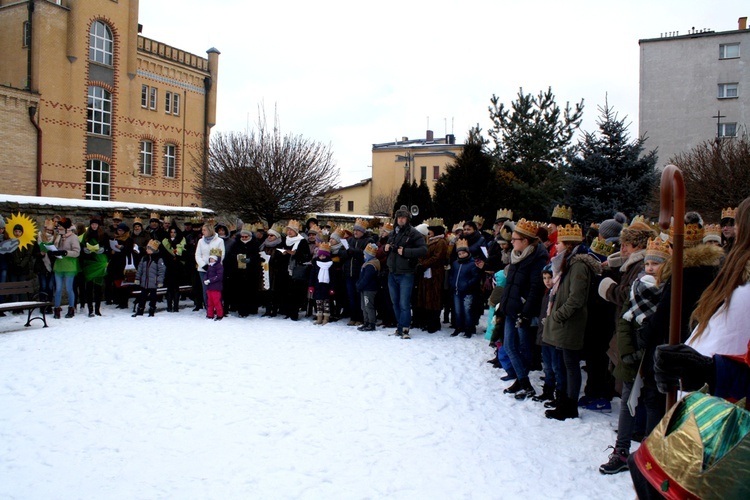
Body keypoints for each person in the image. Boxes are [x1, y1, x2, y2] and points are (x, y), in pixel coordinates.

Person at [599, 237, 670, 474]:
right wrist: (628, 351)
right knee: (628, 402)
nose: (650, 268)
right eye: (648, 263)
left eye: (656, 264)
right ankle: (621, 450)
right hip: (633, 355)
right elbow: (625, 320)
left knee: (652, 402)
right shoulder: (636, 286)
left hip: (655, 355)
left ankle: (648, 455)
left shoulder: (668, 291)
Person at [542, 224, 601, 415]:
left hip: (570, 322)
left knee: (570, 365)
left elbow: (576, 298)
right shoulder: (569, 263)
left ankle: (569, 405)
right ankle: (564, 402)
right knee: (566, 365)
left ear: (568, 246)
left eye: (558, 243)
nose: (555, 246)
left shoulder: (578, 266)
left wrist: (558, 315)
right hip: (566, 322)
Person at [500, 219, 548, 396]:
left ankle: (523, 381)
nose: (511, 242)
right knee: (509, 345)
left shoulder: (537, 258)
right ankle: (523, 381)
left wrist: (525, 312)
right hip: (510, 307)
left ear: (526, 241)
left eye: (515, 239)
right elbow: (511, 283)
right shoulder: (516, 254)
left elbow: (536, 289)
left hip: (522, 310)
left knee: (523, 347)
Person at [385, 207, 428, 339]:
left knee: (404, 303)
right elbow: (389, 247)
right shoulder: (393, 233)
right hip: (392, 272)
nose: (401, 220)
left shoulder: (413, 233)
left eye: (403, 217)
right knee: (395, 302)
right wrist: (386, 247)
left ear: (407, 219)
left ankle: (405, 328)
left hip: (406, 273)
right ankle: (399, 326)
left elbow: (423, 250)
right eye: (399, 217)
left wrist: (406, 252)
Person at [416, 222, 449, 333]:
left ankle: (434, 323)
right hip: (427, 273)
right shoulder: (429, 241)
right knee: (426, 297)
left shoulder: (441, 242)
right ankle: (427, 321)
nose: (428, 232)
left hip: (435, 274)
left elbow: (437, 257)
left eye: (430, 230)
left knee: (434, 298)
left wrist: (424, 264)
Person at [226, 223, 262, 317]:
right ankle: (241, 310)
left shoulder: (255, 244)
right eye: (243, 236)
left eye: (246, 237)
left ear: (249, 236)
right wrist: (236, 258)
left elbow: (258, 256)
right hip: (239, 272)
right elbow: (231, 255)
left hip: (251, 272)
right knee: (240, 291)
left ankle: (251, 308)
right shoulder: (236, 244)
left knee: (251, 291)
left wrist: (251, 260)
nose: (244, 238)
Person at [48, 217, 81, 319]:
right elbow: (55, 247)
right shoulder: (58, 236)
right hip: (59, 265)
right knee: (58, 289)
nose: (59, 229)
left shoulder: (73, 237)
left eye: (61, 227)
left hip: (69, 265)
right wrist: (54, 251)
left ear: (67, 228)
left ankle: (71, 308)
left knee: (69, 288)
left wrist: (66, 252)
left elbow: (77, 252)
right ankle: (57, 309)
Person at [448, 238, 481, 338]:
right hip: (457, 290)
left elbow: (476, 277)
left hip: (468, 291)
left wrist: (467, 284)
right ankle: (458, 327)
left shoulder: (472, 264)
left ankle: (468, 329)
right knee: (457, 310)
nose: (461, 255)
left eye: (463, 253)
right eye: (459, 253)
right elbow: (451, 275)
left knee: (467, 311)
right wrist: (452, 283)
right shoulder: (455, 263)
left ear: (467, 252)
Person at [79, 217, 110, 317]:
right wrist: (84, 250)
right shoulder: (86, 235)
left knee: (98, 287)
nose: (94, 226)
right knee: (89, 287)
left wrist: (103, 249)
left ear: (98, 225)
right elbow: (81, 246)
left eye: (96, 224)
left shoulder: (103, 235)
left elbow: (108, 247)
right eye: (92, 224)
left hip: (99, 261)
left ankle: (97, 308)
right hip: (89, 262)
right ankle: (90, 309)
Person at [132, 239, 166, 317]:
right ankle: (140, 310)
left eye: (149, 248)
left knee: (153, 298)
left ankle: (152, 310)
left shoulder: (158, 259)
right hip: (145, 282)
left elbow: (161, 271)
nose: (147, 250)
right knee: (142, 297)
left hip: (153, 283)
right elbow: (140, 269)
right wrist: (137, 278)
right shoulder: (144, 258)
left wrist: (160, 281)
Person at [195, 223, 225, 311]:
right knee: (206, 290)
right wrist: (203, 265)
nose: (202, 232)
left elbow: (221, 254)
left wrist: (214, 266)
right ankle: (209, 309)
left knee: (215, 289)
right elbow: (197, 255)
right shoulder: (201, 241)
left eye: (204, 230)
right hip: (203, 269)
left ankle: (217, 308)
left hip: (215, 269)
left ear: (209, 230)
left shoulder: (219, 241)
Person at [161, 223, 187, 312]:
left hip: (178, 267)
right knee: (169, 287)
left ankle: (176, 306)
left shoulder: (181, 241)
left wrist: (178, 256)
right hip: (168, 266)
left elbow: (184, 254)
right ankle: (169, 306)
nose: (172, 234)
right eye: (171, 232)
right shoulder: (165, 241)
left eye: (174, 232)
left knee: (176, 287)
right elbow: (163, 254)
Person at [309, 241, 336, 325]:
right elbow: (312, 276)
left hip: (326, 287)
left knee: (326, 303)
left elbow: (333, 278)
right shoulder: (316, 264)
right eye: (320, 255)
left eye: (324, 255)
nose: (322, 257)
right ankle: (319, 317)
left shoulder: (330, 265)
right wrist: (311, 286)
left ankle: (326, 317)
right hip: (318, 286)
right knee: (318, 303)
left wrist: (332, 288)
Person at [356, 243, 380, 331]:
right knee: (364, 306)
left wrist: (359, 285)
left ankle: (371, 323)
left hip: (369, 289)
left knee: (368, 306)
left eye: (365, 255)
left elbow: (366, 278)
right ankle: (366, 322)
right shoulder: (366, 264)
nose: (364, 256)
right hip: (364, 288)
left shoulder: (371, 265)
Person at [204, 248, 224, 320]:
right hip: (209, 288)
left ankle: (220, 314)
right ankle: (210, 314)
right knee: (210, 302)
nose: (211, 260)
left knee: (217, 302)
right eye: (210, 259)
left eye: (212, 259)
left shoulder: (219, 266)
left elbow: (219, 276)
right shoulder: (210, 266)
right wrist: (205, 279)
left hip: (216, 288)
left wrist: (210, 280)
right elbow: (207, 274)